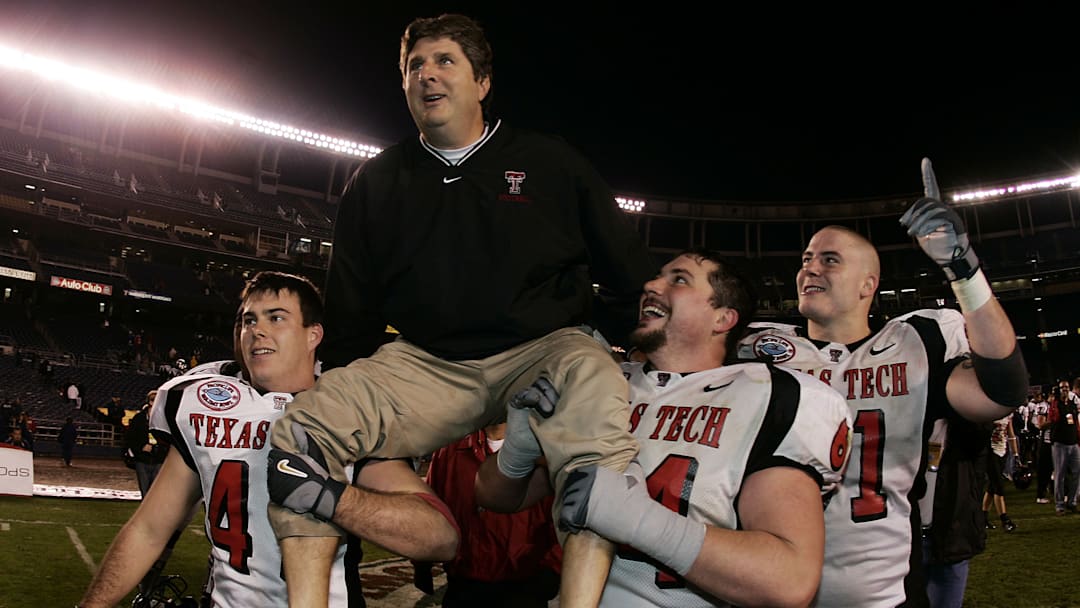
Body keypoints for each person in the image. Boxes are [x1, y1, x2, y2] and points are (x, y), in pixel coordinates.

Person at [265, 13, 655, 606]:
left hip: (542, 350)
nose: (427, 75)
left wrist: (620, 340)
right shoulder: (376, 182)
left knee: (593, 407)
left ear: (483, 81)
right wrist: (356, 398)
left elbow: (626, 276)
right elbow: (353, 317)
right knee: (302, 433)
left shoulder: (551, 163)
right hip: (428, 363)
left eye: (444, 61)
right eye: (414, 66)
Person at [481, 250, 853, 606]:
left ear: (723, 318)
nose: (652, 286)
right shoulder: (603, 384)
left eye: (679, 279)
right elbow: (495, 498)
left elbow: (789, 580)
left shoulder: (770, 393)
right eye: (658, 276)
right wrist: (519, 450)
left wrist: (636, 520)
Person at [737, 159, 1026, 606]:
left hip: (881, 594)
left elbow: (1002, 391)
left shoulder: (914, 342)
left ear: (867, 284)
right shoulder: (756, 348)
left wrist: (963, 271)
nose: (809, 269)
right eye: (807, 259)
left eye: (829, 260)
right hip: (763, 587)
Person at [79, 271, 459, 608]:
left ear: (314, 335)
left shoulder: (348, 415)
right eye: (248, 320)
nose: (256, 330)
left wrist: (331, 497)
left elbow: (438, 538)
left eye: (276, 318)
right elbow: (149, 529)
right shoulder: (209, 406)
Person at [417, 422, 562, 607]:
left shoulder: (544, 450)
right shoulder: (449, 450)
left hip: (524, 586)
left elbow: (563, 517)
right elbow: (431, 508)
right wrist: (422, 563)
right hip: (462, 584)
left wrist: (552, 570)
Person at [920, 416, 989, 608]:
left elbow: (979, 434)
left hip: (952, 533)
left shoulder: (964, 425)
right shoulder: (907, 416)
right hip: (907, 538)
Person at [124, 390, 166, 497]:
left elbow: (169, 439)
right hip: (142, 460)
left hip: (159, 459)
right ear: (149, 402)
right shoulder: (139, 419)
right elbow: (130, 438)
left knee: (155, 493)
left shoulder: (164, 419)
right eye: (154, 400)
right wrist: (141, 447)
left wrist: (159, 448)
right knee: (145, 491)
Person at [1048, 377, 1080, 514]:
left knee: (1077, 473)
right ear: (1059, 389)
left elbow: (1076, 423)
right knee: (1060, 475)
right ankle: (1060, 505)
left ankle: (1072, 502)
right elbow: (1052, 420)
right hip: (1060, 445)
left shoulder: (1072, 404)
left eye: (1067, 387)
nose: (1065, 389)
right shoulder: (1055, 404)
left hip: (1074, 444)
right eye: (1062, 387)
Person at [981, 414, 1017, 531]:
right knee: (998, 486)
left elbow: (1011, 434)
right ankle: (1004, 519)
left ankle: (983, 518)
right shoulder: (990, 412)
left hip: (1002, 450)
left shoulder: (1008, 413)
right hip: (990, 451)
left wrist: (1015, 454)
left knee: (992, 487)